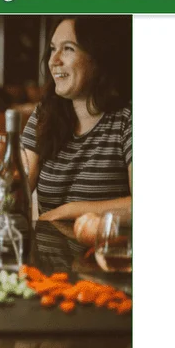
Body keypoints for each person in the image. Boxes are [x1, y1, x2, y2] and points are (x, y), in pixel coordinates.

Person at [22, 16, 132, 221]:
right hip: (50, 253)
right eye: (53, 49)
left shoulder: (128, 119)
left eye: (68, 49)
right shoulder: (44, 114)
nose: (54, 61)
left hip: (105, 252)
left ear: (98, 58)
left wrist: (67, 212)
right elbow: (17, 191)